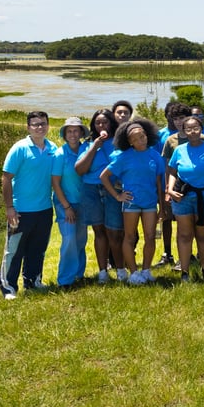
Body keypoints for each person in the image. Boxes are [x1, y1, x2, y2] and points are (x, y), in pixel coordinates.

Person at [0, 111, 57, 299]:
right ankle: (9, 288)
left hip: (45, 209)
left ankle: (33, 282)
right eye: (35, 124)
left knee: (37, 249)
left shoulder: (52, 148)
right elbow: (6, 178)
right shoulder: (20, 148)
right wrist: (9, 207)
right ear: (28, 127)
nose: (39, 127)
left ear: (48, 126)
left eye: (43, 124)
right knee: (14, 251)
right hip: (21, 211)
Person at [101, 118, 165, 285]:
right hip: (131, 202)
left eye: (142, 136)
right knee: (129, 237)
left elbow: (159, 183)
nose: (140, 140)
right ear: (128, 141)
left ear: (147, 135)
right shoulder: (123, 157)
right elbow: (104, 177)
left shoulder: (155, 155)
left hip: (150, 202)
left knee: (150, 237)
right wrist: (117, 196)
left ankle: (146, 270)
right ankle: (134, 273)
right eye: (135, 138)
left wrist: (162, 207)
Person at [167, 115, 204, 281]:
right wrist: (170, 189)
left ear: (201, 129)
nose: (192, 131)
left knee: (202, 235)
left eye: (196, 128)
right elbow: (171, 172)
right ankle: (184, 272)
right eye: (188, 129)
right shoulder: (179, 150)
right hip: (182, 197)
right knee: (184, 235)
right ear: (183, 131)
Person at [75, 109, 124, 283]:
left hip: (112, 190)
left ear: (112, 123)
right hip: (91, 190)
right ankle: (103, 272)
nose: (101, 126)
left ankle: (120, 270)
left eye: (105, 122)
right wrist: (94, 147)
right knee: (99, 231)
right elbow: (80, 170)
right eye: (97, 123)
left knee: (115, 232)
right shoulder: (88, 144)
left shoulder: (120, 142)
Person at [51, 117, 90, 288]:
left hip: (83, 202)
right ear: (65, 134)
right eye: (69, 131)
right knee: (69, 239)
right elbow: (55, 183)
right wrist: (66, 207)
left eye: (76, 130)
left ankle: (78, 274)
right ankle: (65, 280)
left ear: (81, 133)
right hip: (64, 203)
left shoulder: (86, 149)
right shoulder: (60, 154)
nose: (73, 134)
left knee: (81, 239)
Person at [157, 102, 193, 269]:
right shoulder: (170, 141)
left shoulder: (197, 137)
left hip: (193, 187)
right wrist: (167, 190)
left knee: (186, 223)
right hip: (174, 187)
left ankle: (186, 256)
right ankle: (168, 253)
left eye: (182, 118)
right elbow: (167, 167)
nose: (179, 122)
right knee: (168, 219)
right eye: (176, 119)